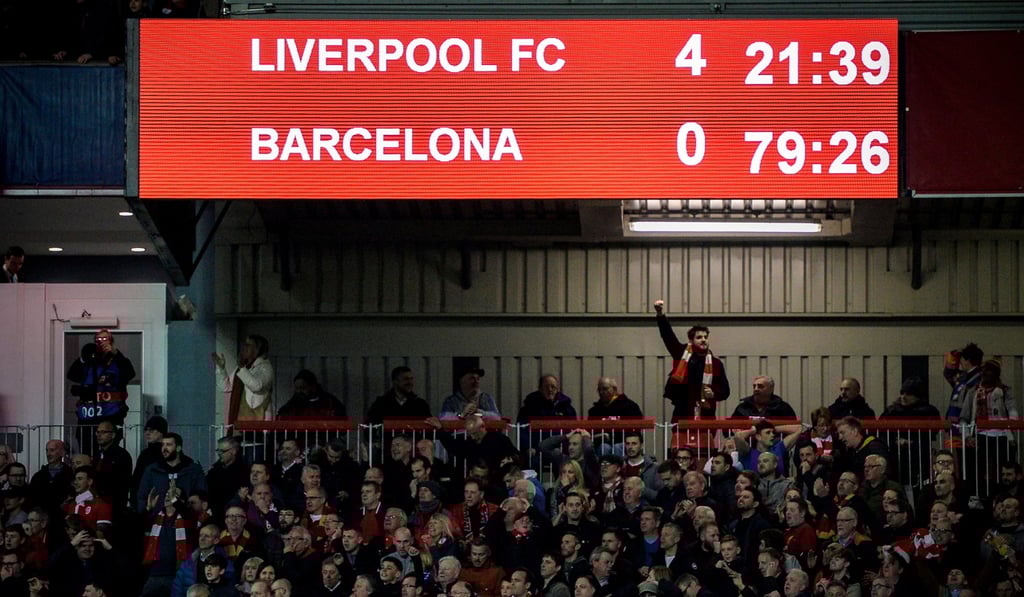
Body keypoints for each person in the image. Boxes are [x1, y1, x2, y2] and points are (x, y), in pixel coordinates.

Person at [654, 300, 731, 419]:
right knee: (680, 438)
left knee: (706, 437)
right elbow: (667, 336)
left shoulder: (716, 363)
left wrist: (714, 394)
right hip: (683, 411)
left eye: (706, 337)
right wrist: (660, 314)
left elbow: (725, 390)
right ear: (691, 340)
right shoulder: (681, 354)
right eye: (699, 337)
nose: (704, 340)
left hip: (707, 412)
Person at [71, 329, 137, 447]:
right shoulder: (88, 362)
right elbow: (72, 375)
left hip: (109, 415)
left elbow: (130, 373)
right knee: (86, 450)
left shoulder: (117, 361)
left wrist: (116, 353)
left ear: (111, 342)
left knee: (108, 451)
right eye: (98, 340)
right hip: (86, 418)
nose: (101, 342)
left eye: (105, 339)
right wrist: (83, 357)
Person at [138, 433, 208, 513]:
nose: (164, 448)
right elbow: (142, 497)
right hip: (157, 521)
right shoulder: (152, 470)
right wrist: (145, 515)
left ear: (178, 448)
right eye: (163, 445)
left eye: (168, 445)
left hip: (186, 520)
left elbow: (201, 496)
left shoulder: (193, 470)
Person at [213, 335, 274, 422]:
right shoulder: (242, 368)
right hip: (238, 419)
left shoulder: (265, 368)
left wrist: (242, 367)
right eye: (244, 344)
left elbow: (257, 386)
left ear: (257, 349)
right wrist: (221, 368)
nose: (244, 347)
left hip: (257, 422)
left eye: (248, 345)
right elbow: (225, 387)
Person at [516, 374, 577, 454]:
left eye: (553, 387)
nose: (550, 390)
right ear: (540, 389)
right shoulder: (529, 407)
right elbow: (522, 428)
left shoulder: (567, 408)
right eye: (546, 387)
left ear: (557, 389)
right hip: (535, 452)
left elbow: (574, 429)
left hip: (562, 451)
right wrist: (527, 448)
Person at [367, 367, 432, 423]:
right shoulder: (381, 404)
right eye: (406, 379)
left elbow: (429, 427)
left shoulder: (420, 404)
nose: (410, 382)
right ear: (395, 381)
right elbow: (371, 425)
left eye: (411, 379)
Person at [277, 370, 346, 419]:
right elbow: (281, 417)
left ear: (313, 386)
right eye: (296, 388)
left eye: (302, 388)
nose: (298, 391)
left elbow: (342, 424)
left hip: (325, 439)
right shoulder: (293, 403)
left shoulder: (330, 402)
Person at [730, 376, 797, 419]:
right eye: (754, 386)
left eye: (760, 386)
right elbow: (728, 430)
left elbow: (794, 428)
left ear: (771, 389)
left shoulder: (783, 408)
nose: (756, 389)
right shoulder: (743, 407)